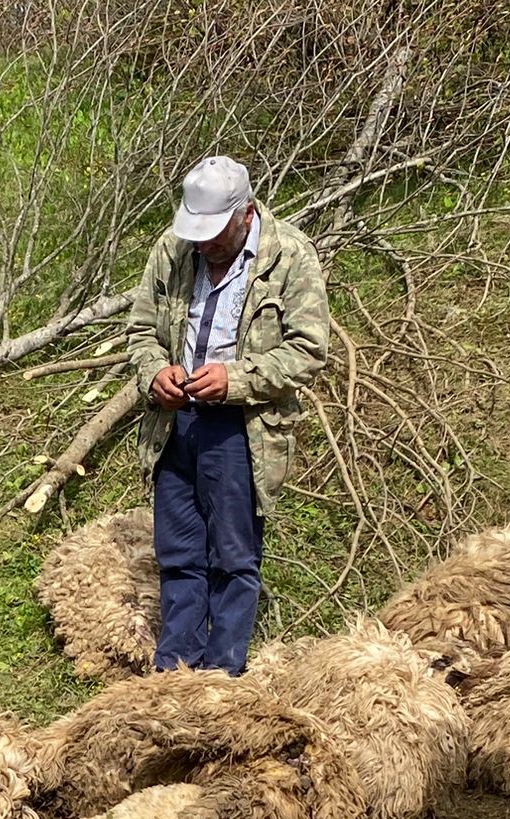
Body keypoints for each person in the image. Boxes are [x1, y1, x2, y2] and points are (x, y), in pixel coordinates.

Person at [124, 155, 328, 675]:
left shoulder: (291, 258)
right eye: (198, 233)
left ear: (247, 214)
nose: (206, 244)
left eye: (215, 233)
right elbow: (141, 330)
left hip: (243, 427)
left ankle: (221, 677)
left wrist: (235, 380)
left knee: (234, 558)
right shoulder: (172, 251)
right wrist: (154, 374)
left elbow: (307, 350)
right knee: (178, 555)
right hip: (175, 422)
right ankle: (174, 672)